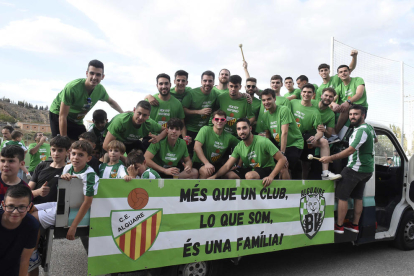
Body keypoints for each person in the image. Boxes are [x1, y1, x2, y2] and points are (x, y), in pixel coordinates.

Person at [319, 105, 374, 234]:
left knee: (342, 197)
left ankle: (339, 226)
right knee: (358, 197)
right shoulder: (370, 128)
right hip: (367, 170)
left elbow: (350, 150)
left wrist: (330, 157)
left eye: (356, 114)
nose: (352, 117)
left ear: (363, 116)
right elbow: (375, 140)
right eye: (350, 114)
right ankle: (354, 225)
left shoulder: (361, 130)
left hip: (355, 169)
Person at [31, 140, 99, 240]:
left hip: (73, 210)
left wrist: (73, 227)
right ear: (69, 154)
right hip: (62, 204)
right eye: (74, 153)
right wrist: (63, 177)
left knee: (32, 218)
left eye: (80, 155)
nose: (75, 157)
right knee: (28, 209)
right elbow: (62, 190)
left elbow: (87, 203)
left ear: (88, 158)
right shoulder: (67, 167)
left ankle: (33, 252)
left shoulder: (89, 175)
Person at [27, 135, 71, 275]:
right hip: (34, 207)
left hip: (48, 214)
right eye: (53, 150)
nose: (56, 153)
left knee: (29, 241)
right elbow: (27, 192)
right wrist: (38, 192)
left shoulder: (69, 171)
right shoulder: (42, 165)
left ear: (67, 152)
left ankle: (32, 258)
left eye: (60, 150)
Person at [49, 59, 124, 141]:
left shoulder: (100, 90)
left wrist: (123, 114)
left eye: (98, 74)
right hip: (58, 114)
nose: (94, 77)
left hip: (76, 119)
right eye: (92, 73)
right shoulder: (73, 87)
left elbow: (111, 102)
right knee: (60, 144)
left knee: (85, 142)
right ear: (86, 73)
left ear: (102, 77)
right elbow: (62, 116)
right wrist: (64, 139)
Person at [208, 118, 286, 186]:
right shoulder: (239, 146)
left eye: (244, 128)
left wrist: (271, 176)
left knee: (250, 176)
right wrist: (214, 176)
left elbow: (282, 159)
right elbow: (227, 166)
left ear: (250, 128)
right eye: (239, 129)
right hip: (251, 169)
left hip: (266, 169)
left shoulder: (263, 141)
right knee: (228, 175)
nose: (241, 131)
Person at [290, 84, 341, 180]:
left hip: (310, 138)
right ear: (321, 96)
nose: (328, 98)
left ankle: (325, 173)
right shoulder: (309, 102)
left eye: (330, 97)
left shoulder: (330, 114)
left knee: (307, 162)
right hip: (293, 136)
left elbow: (329, 134)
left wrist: (322, 131)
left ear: (333, 99)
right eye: (326, 95)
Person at [261, 89, 304, 179]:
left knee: (283, 166)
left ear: (274, 99)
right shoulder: (265, 115)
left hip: (294, 143)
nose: (266, 102)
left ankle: (286, 191)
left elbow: (284, 132)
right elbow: (268, 136)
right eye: (264, 100)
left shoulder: (284, 110)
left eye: (269, 99)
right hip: (279, 144)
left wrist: (282, 154)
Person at [0, 185, 39, 276]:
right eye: (10, 206)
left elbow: (24, 260)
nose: (15, 212)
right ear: (3, 205)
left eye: (22, 207)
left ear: (29, 207)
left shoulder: (32, 225)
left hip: (12, 269)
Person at [193, 110, 240, 179]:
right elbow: (196, 147)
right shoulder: (205, 129)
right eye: (217, 119)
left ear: (225, 122)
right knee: (207, 171)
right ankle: (201, 189)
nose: (219, 121)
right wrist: (206, 163)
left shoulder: (229, 137)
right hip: (200, 162)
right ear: (213, 121)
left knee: (231, 175)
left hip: (216, 165)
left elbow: (243, 146)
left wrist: (238, 165)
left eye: (222, 119)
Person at [182, 70, 219, 153]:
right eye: (205, 80)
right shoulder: (192, 93)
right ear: (201, 81)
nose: (207, 83)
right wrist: (198, 112)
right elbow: (182, 110)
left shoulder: (215, 94)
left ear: (213, 82)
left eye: (210, 81)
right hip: (190, 130)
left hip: (204, 131)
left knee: (201, 156)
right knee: (188, 155)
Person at [332, 65, 368, 134]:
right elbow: (331, 100)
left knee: (346, 107)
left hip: (360, 107)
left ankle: (335, 132)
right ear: (338, 75)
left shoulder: (358, 80)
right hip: (348, 106)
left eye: (345, 71)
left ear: (349, 72)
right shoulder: (339, 87)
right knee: (330, 108)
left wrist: (348, 102)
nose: (343, 73)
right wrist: (334, 104)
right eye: (341, 72)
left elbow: (359, 94)